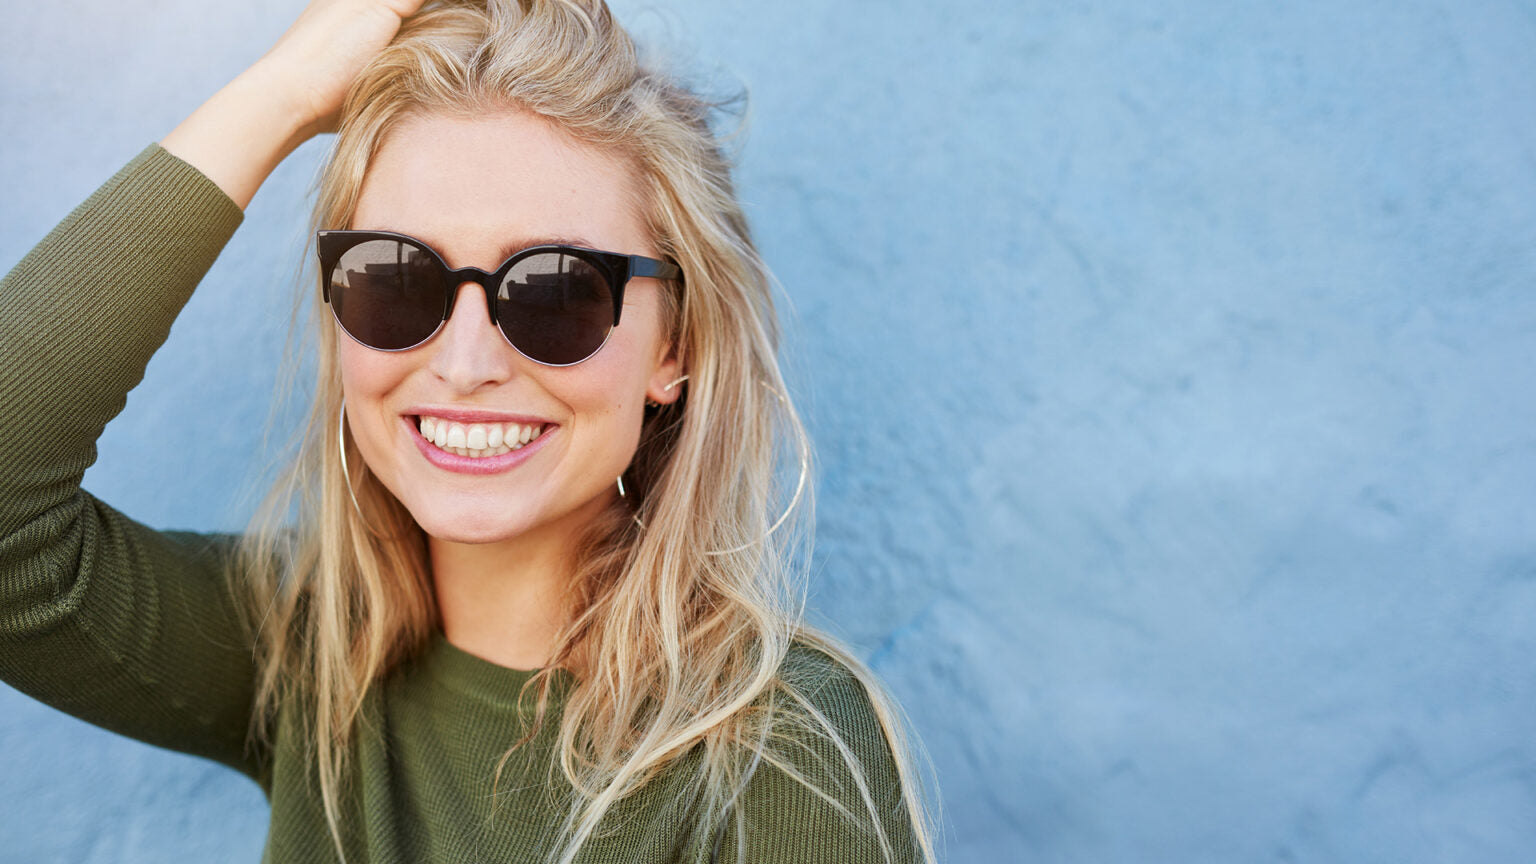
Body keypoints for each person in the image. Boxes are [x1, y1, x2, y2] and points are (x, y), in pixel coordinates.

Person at [0, 1, 938, 861]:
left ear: (674, 346)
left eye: (557, 290)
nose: (464, 362)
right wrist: (284, 91)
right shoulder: (306, 655)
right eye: (396, 277)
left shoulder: (780, 755)